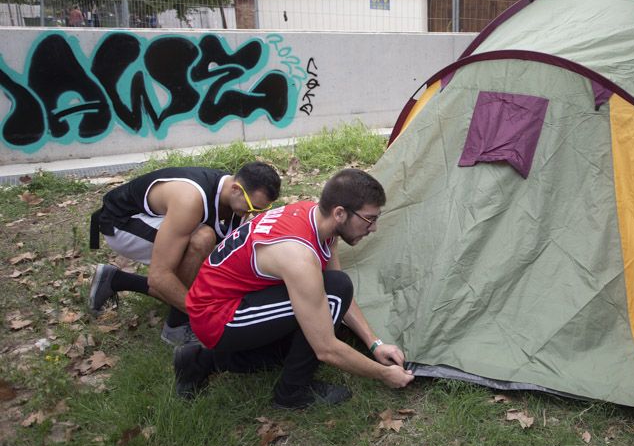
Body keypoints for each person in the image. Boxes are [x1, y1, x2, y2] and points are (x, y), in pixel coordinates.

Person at [175, 168, 414, 409]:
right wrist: (383, 374)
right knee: (324, 319)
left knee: (332, 293)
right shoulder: (297, 255)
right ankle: (292, 392)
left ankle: (200, 361)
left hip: (233, 297)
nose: (373, 228)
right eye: (369, 219)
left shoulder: (318, 218)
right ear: (340, 213)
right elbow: (326, 349)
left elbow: (337, 288)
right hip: (216, 316)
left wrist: (375, 344)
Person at [88, 163, 281, 346]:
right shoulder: (190, 200)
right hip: (120, 223)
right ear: (236, 189)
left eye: (261, 209)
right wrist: (204, 315)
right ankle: (177, 325)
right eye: (252, 207)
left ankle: (116, 280)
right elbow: (159, 276)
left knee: (201, 266)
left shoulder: (232, 198)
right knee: (201, 240)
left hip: (157, 219)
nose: (253, 213)